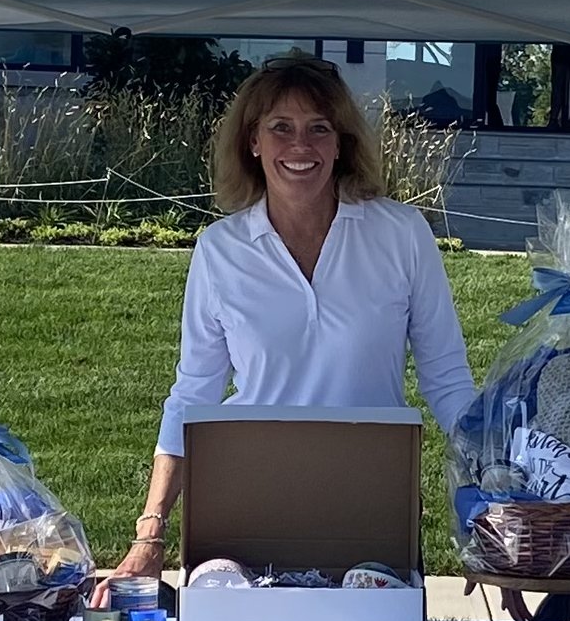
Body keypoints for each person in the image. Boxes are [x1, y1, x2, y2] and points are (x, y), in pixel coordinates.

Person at [101, 53, 477, 589]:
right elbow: (192, 395)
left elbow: (448, 380)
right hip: (248, 493)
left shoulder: (402, 235)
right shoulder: (220, 249)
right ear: (253, 142)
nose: (300, 146)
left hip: (372, 498)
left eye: (318, 129)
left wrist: (495, 511)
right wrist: (150, 533)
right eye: (281, 128)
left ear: (341, 141)